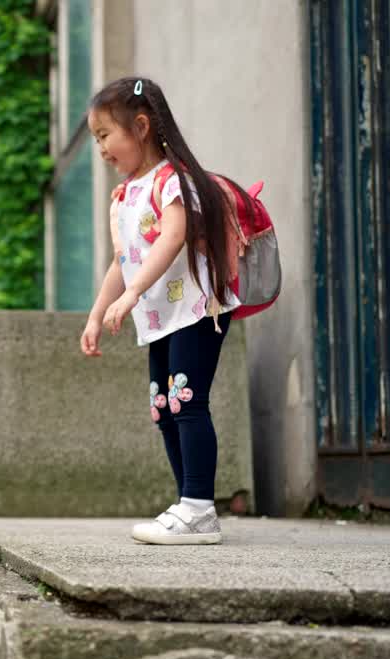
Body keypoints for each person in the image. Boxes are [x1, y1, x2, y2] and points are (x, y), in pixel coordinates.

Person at [79, 77, 250, 546]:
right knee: (164, 408)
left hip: (195, 308)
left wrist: (131, 293)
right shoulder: (125, 196)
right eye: (95, 139)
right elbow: (123, 258)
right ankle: (189, 505)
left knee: (187, 401)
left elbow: (173, 236)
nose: (101, 149)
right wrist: (97, 314)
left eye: (104, 135)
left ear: (140, 127)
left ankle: (198, 507)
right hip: (160, 318)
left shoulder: (174, 180)